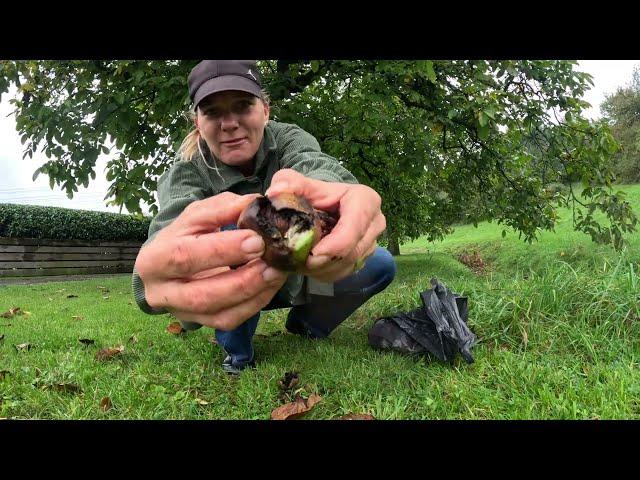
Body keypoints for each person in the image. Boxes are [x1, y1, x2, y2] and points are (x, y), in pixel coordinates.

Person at [132, 60, 397, 374]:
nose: (229, 123)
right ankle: (238, 354)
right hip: (237, 277)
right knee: (227, 231)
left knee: (380, 264)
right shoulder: (186, 170)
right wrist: (157, 279)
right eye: (213, 112)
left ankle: (308, 323)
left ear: (266, 110)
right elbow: (168, 230)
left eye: (243, 105)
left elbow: (315, 165)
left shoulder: (287, 138)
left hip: (305, 272)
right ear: (197, 123)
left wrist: (336, 196)